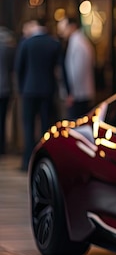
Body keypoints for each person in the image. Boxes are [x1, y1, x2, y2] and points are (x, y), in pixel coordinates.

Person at [14, 18, 61, 170]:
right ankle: (44, 160)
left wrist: (22, 89)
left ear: (34, 25)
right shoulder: (54, 43)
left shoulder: (26, 43)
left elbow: (18, 68)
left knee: (28, 126)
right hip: (47, 90)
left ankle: (27, 160)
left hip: (29, 90)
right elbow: (60, 69)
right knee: (45, 127)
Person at [57, 16, 96, 119]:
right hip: (80, 92)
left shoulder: (78, 43)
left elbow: (77, 71)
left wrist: (71, 92)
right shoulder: (79, 41)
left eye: (64, 27)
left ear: (72, 26)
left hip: (78, 94)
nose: (62, 31)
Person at [0, 26, 16, 155]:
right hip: (5, 88)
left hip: (4, 87)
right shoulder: (9, 50)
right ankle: (2, 146)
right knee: (3, 118)